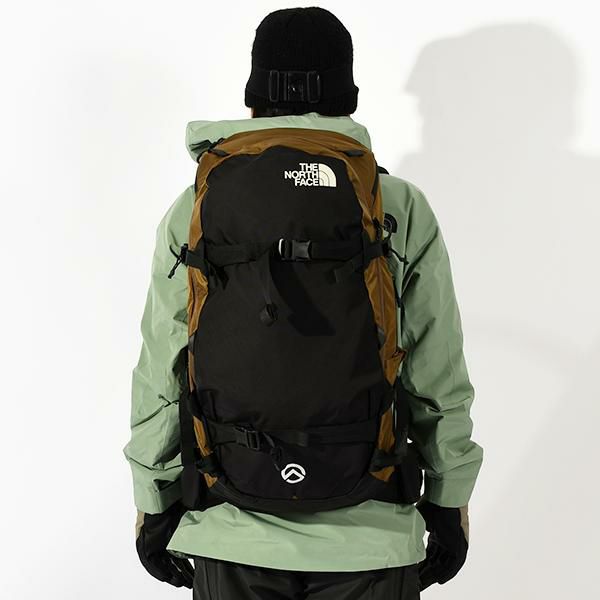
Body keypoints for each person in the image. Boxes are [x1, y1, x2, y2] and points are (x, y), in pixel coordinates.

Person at [124, 7, 483, 599]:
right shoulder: (398, 206)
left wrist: (153, 500)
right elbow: (436, 372)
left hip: (231, 528)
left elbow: (163, 367)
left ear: (253, 100)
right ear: (347, 98)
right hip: (372, 534)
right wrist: (449, 499)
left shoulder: (196, 206)